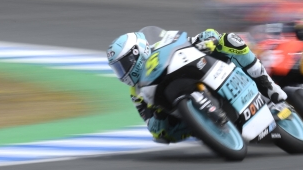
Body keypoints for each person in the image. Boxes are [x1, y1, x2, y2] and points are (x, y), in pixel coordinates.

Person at [106, 28, 288, 144]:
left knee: (230, 40)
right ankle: (208, 129)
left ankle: (268, 85)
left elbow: (186, 40)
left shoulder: (161, 44)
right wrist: (157, 116)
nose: (122, 72)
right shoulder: (136, 92)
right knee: (162, 134)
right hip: (177, 115)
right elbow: (152, 127)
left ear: (137, 52)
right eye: (118, 69)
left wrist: (205, 39)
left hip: (196, 69)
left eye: (123, 65)